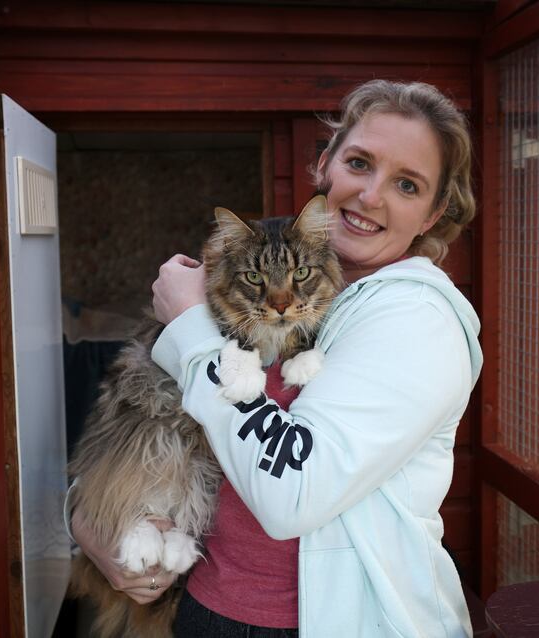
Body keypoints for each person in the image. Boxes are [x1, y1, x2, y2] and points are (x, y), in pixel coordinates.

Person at [70, 79, 482, 637]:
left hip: (326, 624)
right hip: (205, 602)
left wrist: (191, 330)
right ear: (325, 166)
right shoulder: (280, 269)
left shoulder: (417, 322)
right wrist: (92, 522)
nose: (370, 196)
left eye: (407, 184)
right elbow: (143, 425)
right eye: (359, 163)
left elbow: (293, 491)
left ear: (433, 215)